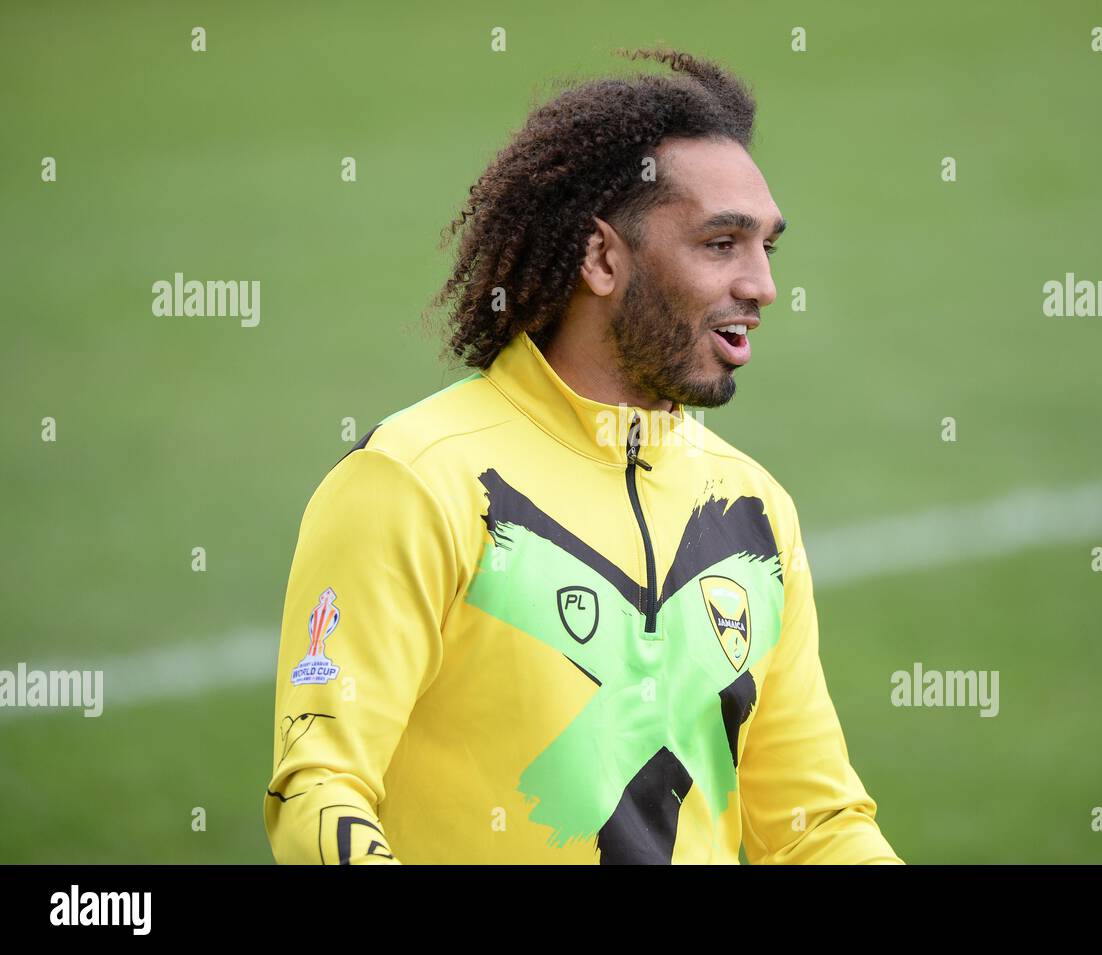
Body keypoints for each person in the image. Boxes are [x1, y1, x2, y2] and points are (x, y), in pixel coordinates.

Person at [264, 48, 902, 865]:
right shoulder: (417, 481)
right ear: (603, 260)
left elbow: (816, 824)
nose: (761, 285)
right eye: (720, 244)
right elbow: (319, 789)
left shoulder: (753, 512)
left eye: (766, 249)